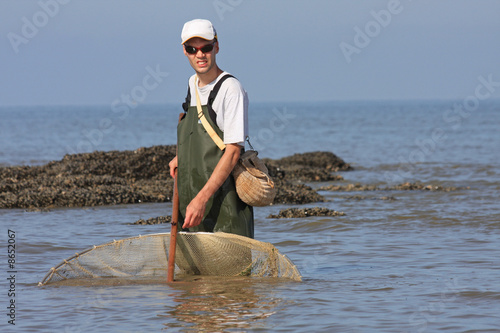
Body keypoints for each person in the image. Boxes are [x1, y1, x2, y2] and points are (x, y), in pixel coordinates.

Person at [169, 19, 254, 238]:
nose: (200, 54)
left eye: (206, 47)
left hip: (224, 207)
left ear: (216, 46)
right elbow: (193, 131)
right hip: (191, 203)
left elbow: (233, 151)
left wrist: (201, 200)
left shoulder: (231, 89)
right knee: (193, 273)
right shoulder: (192, 84)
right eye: (192, 49)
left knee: (232, 271)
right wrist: (181, 157)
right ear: (184, 51)